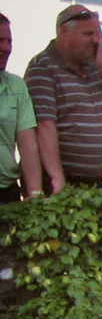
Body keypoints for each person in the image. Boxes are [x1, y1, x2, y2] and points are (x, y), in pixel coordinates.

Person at [25, 4, 102, 191]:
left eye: (99, 34)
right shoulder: (43, 67)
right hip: (59, 182)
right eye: (88, 34)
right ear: (64, 32)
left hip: (94, 183)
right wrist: (57, 178)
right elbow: (44, 126)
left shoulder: (95, 68)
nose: (96, 41)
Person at [0, 12, 42, 201]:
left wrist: (34, 194)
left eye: (9, 41)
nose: (5, 48)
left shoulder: (16, 86)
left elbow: (28, 146)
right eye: (0, 40)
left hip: (6, 192)